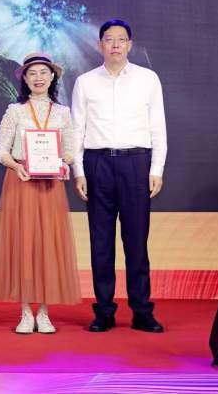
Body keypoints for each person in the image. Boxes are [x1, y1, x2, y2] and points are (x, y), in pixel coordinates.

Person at [71, 19, 167, 333]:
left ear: (130, 44)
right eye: (109, 39)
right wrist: (78, 171)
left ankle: (142, 311)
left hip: (136, 163)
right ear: (99, 45)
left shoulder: (147, 79)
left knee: (137, 241)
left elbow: (158, 128)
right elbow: (77, 130)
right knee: (100, 242)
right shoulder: (85, 82)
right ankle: (104, 312)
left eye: (121, 39)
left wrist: (156, 169)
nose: (115, 45)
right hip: (97, 164)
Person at [0, 52, 81, 334]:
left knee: (47, 245)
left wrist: (63, 164)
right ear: (25, 79)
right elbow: (1, 150)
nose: (38, 78)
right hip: (22, 181)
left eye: (43, 72)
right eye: (32, 73)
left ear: (52, 76)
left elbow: (70, 150)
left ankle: (44, 311)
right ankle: (25, 312)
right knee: (24, 244)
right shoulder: (15, 110)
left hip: (50, 185)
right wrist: (16, 166)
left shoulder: (62, 112)